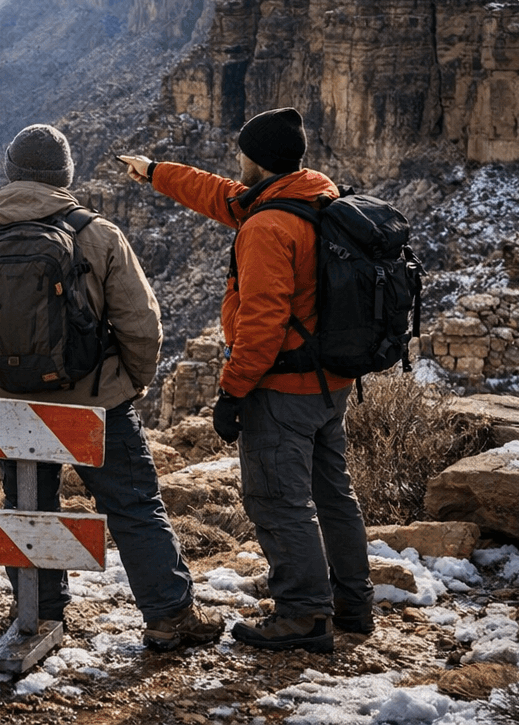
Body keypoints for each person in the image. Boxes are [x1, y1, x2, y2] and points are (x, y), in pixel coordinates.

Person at [0, 123, 223, 652]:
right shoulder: (100, 235)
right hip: (96, 405)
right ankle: (168, 617)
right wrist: (126, 384)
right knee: (133, 507)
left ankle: (40, 615)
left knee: (28, 511)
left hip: (10, 409)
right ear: (66, 177)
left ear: (10, 172)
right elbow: (141, 325)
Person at [119, 107, 374, 654]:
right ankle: (353, 603)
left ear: (256, 159)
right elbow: (220, 194)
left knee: (278, 501)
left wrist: (232, 392)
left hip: (283, 389)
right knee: (333, 495)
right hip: (331, 383)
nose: (237, 164)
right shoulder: (313, 196)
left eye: (242, 155)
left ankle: (304, 615)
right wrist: (155, 169)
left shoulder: (267, 227)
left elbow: (261, 325)